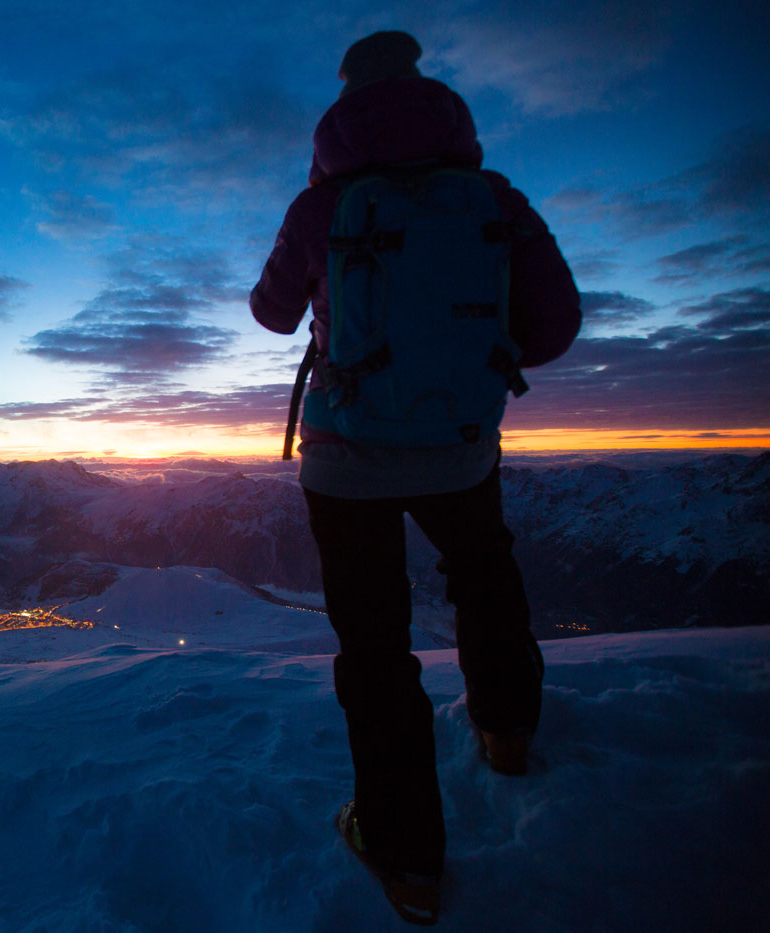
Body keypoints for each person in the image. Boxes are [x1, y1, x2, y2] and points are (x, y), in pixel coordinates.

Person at [250, 30, 581, 925]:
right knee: (485, 571)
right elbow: (554, 328)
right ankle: (507, 733)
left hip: (347, 458)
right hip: (461, 443)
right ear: (436, 99)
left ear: (341, 111)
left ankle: (404, 857)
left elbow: (271, 312)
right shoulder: (494, 199)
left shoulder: (321, 208)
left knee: (375, 641)